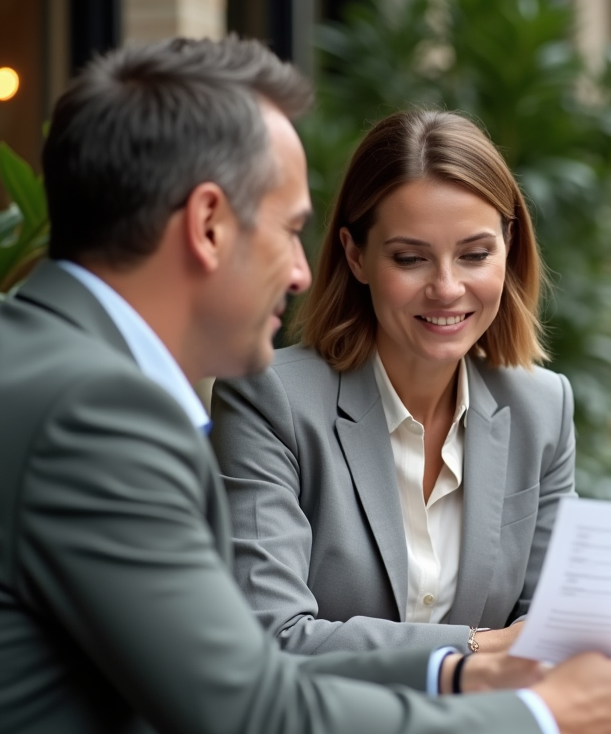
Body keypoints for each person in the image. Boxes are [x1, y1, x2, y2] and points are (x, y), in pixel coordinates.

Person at [0, 36, 611, 734]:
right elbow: (257, 718)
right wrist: (545, 727)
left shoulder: (49, 361)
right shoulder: (92, 411)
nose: (302, 273)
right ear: (209, 225)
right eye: (289, 230)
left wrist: (486, 667)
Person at [209, 109, 572, 658]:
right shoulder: (269, 399)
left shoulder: (543, 408)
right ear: (357, 256)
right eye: (410, 258)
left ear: (508, 247)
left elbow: (552, 624)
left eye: (475, 255)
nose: (447, 288)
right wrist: (475, 649)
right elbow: (273, 636)